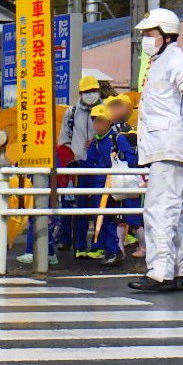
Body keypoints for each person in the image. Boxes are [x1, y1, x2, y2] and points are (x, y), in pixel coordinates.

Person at [128, 8, 183, 293]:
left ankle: (160, 273)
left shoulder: (176, 58)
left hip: (170, 145)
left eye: (149, 33)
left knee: (159, 210)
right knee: (170, 210)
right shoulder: (156, 62)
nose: (145, 38)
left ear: (166, 35)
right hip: (164, 146)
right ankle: (175, 270)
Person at [56, 75, 103, 251]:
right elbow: (64, 139)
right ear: (80, 93)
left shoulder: (105, 110)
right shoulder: (72, 112)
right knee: (70, 204)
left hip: (98, 166)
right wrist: (69, 157)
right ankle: (70, 240)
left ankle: (97, 244)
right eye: (87, 91)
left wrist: (96, 142)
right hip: (75, 164)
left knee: (97, 206)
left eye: (93, 90)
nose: (91, 94)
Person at [105, 95, 145, 262]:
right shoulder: (123, 129)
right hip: (126, 177)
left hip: (128, 177)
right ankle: (120, 248)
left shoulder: (122, 132)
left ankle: (142, 247)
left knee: (131, 216)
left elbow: (130, 157)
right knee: (122, 216)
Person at [74, 105, 113, 261]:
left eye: (102, 121)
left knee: (103, 217)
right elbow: (91, 162)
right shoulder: (95, 142)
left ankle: (100, 246)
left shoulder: (112, 140)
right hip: (90, 181)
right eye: (96, 121)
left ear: (109, 122)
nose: (98, 125)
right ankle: (81, 246)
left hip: (104, 184)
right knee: (82, 214)